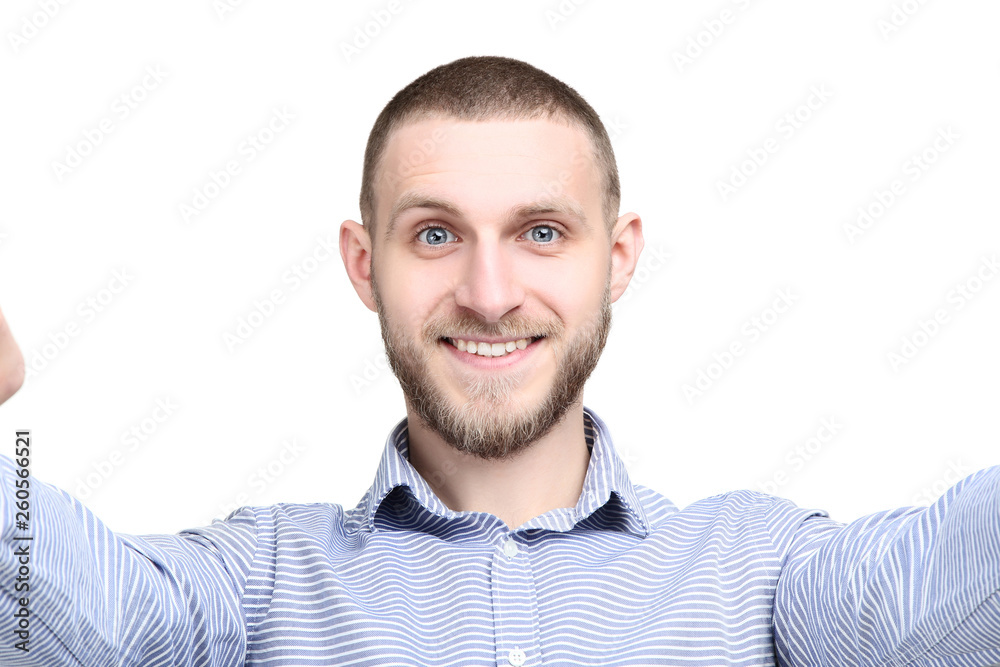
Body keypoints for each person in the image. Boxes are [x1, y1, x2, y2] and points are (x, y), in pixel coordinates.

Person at [1, 55, 998, 667]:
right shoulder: (256, 583)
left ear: (616, 261)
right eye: (435, 236)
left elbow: (923, 614)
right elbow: (99, 635)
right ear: (364, 265)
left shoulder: (762, 572)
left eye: (541, 233)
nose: (487, 292)